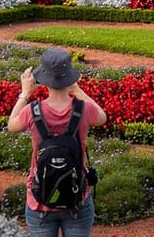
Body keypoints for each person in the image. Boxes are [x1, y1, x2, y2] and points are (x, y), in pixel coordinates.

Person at [8, 47, 105, 236]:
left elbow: (12, 125)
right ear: (70, 77)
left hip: (40, 200)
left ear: (43, 80)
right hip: (77, 197)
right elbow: (102, 116)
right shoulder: (83, 109)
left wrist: (25, 94)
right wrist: (77, 90)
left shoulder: (32, 111)